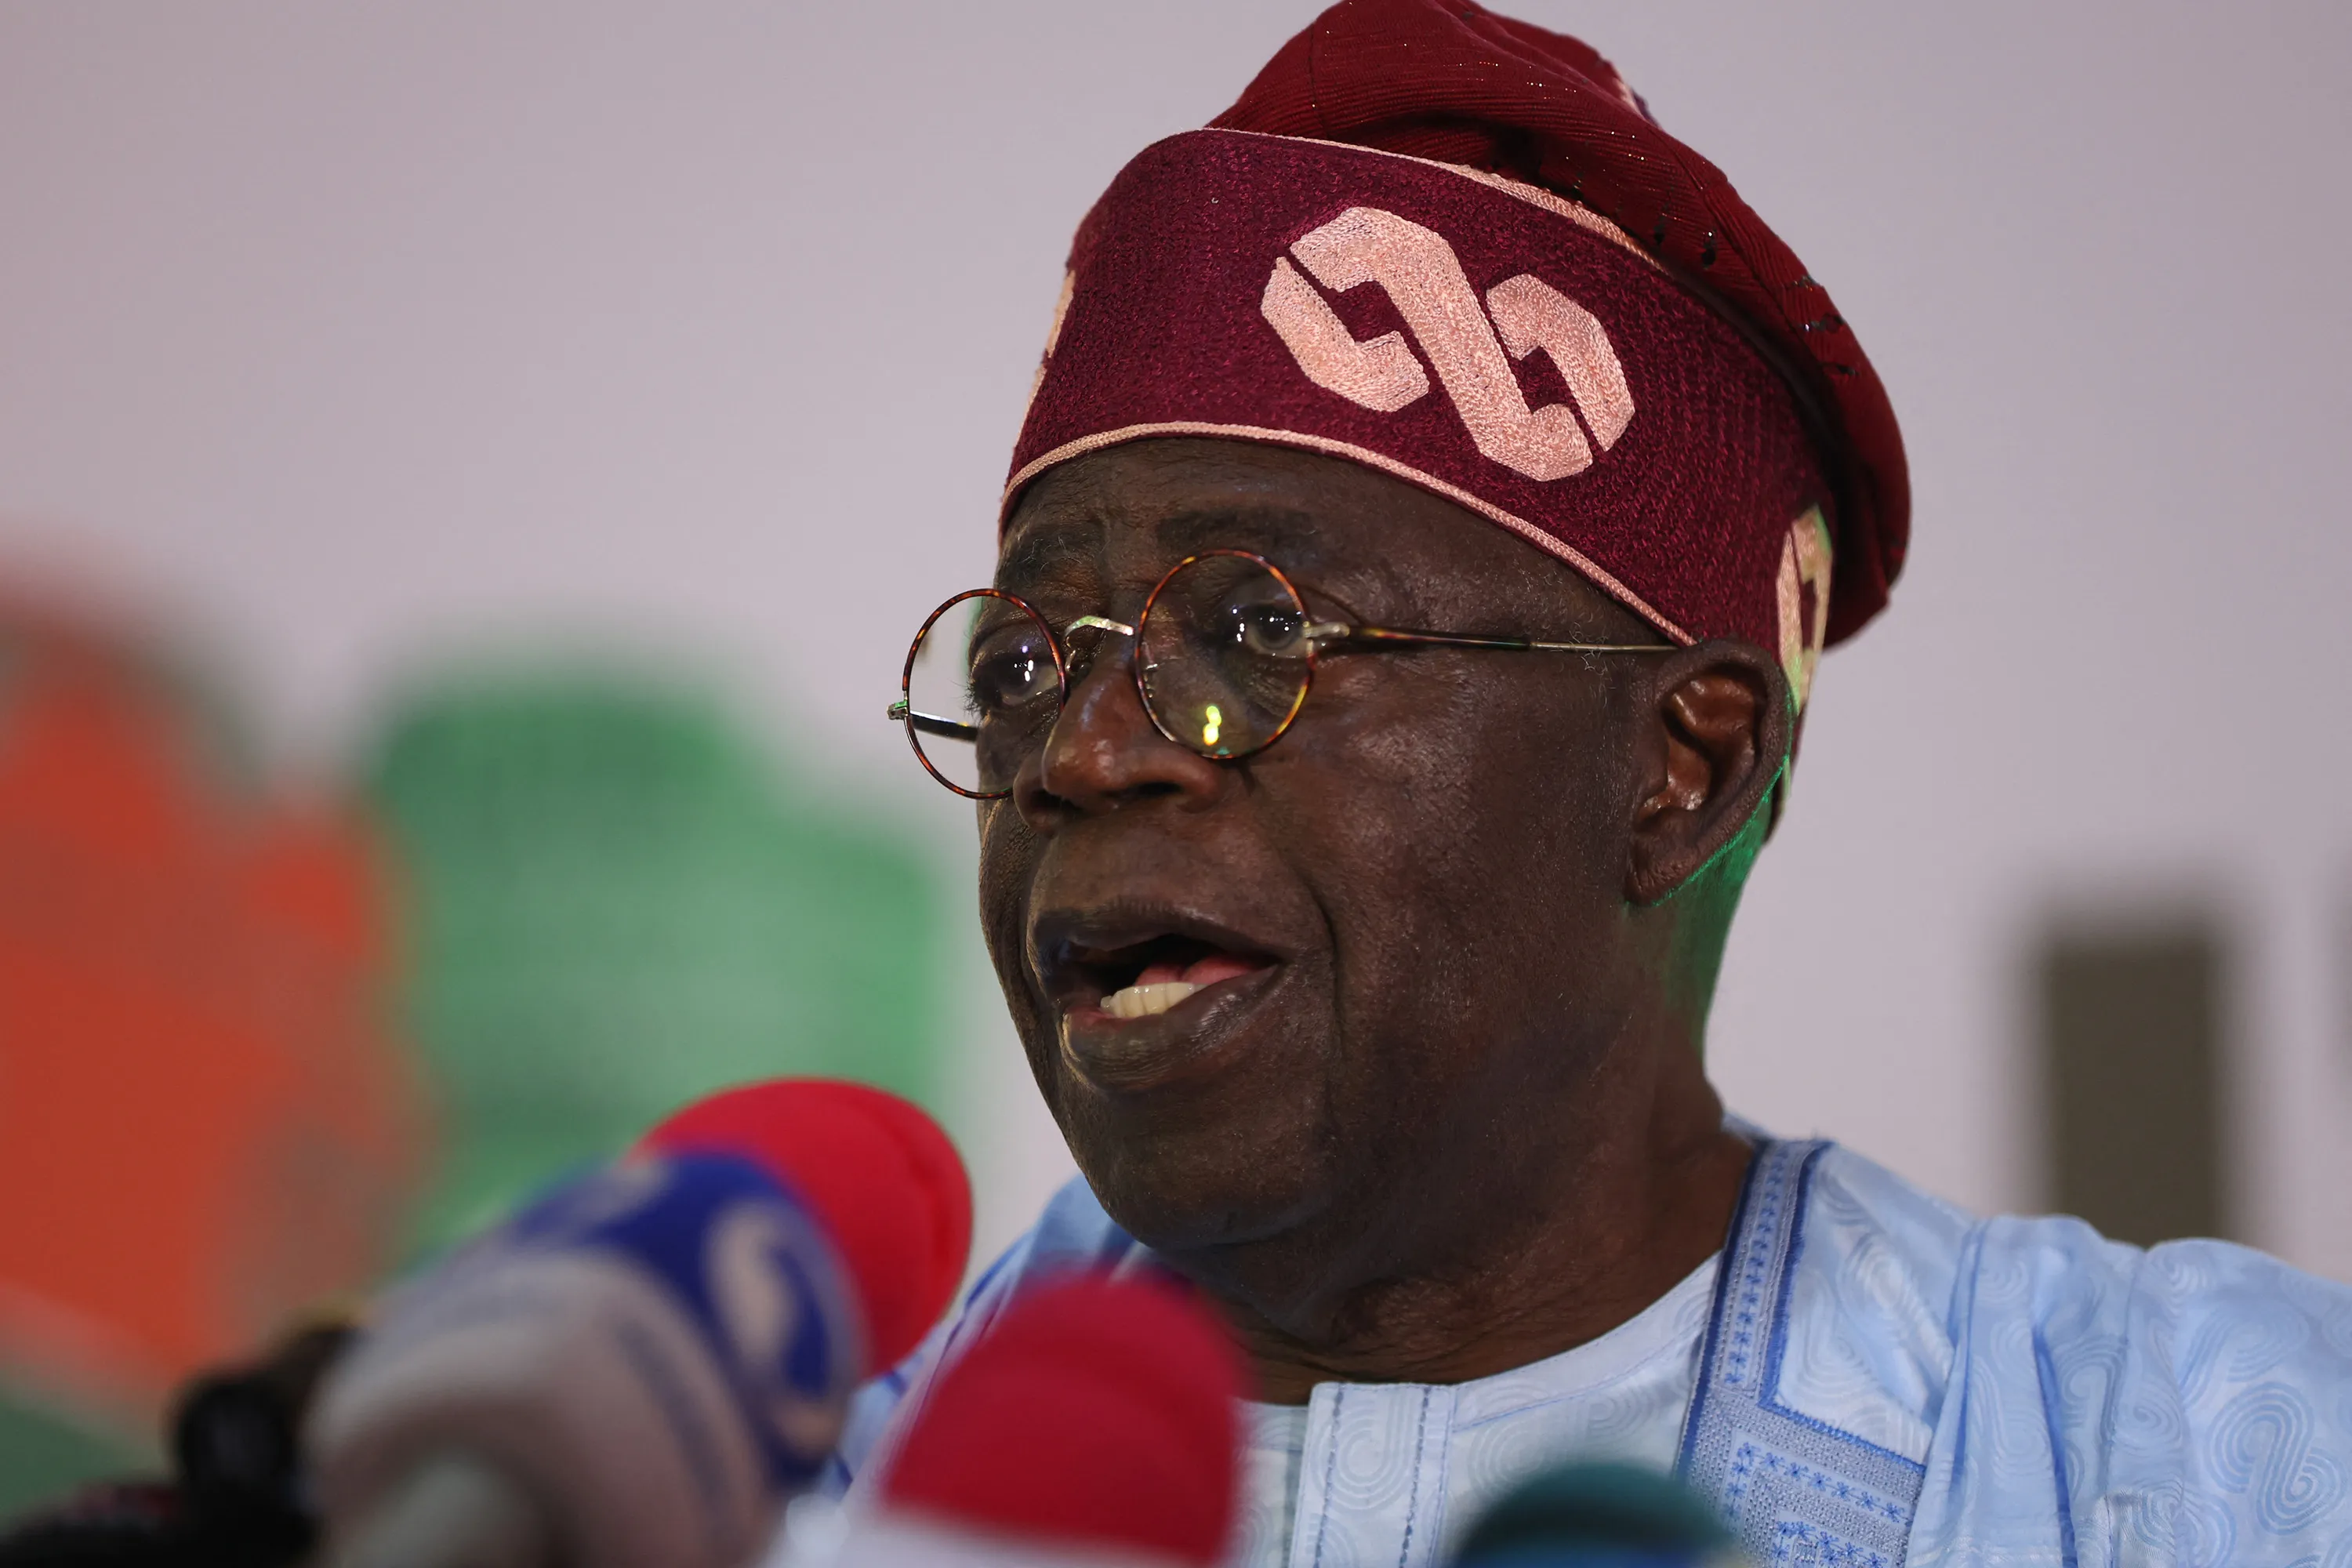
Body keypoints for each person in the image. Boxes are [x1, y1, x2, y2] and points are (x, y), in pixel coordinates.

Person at [836, 2, 2352, 1564]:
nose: (1081, 753)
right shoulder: (790, 1491)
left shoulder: (2200, 1471)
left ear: (1684, 769)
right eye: (1020, 667)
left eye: (1258, 632)